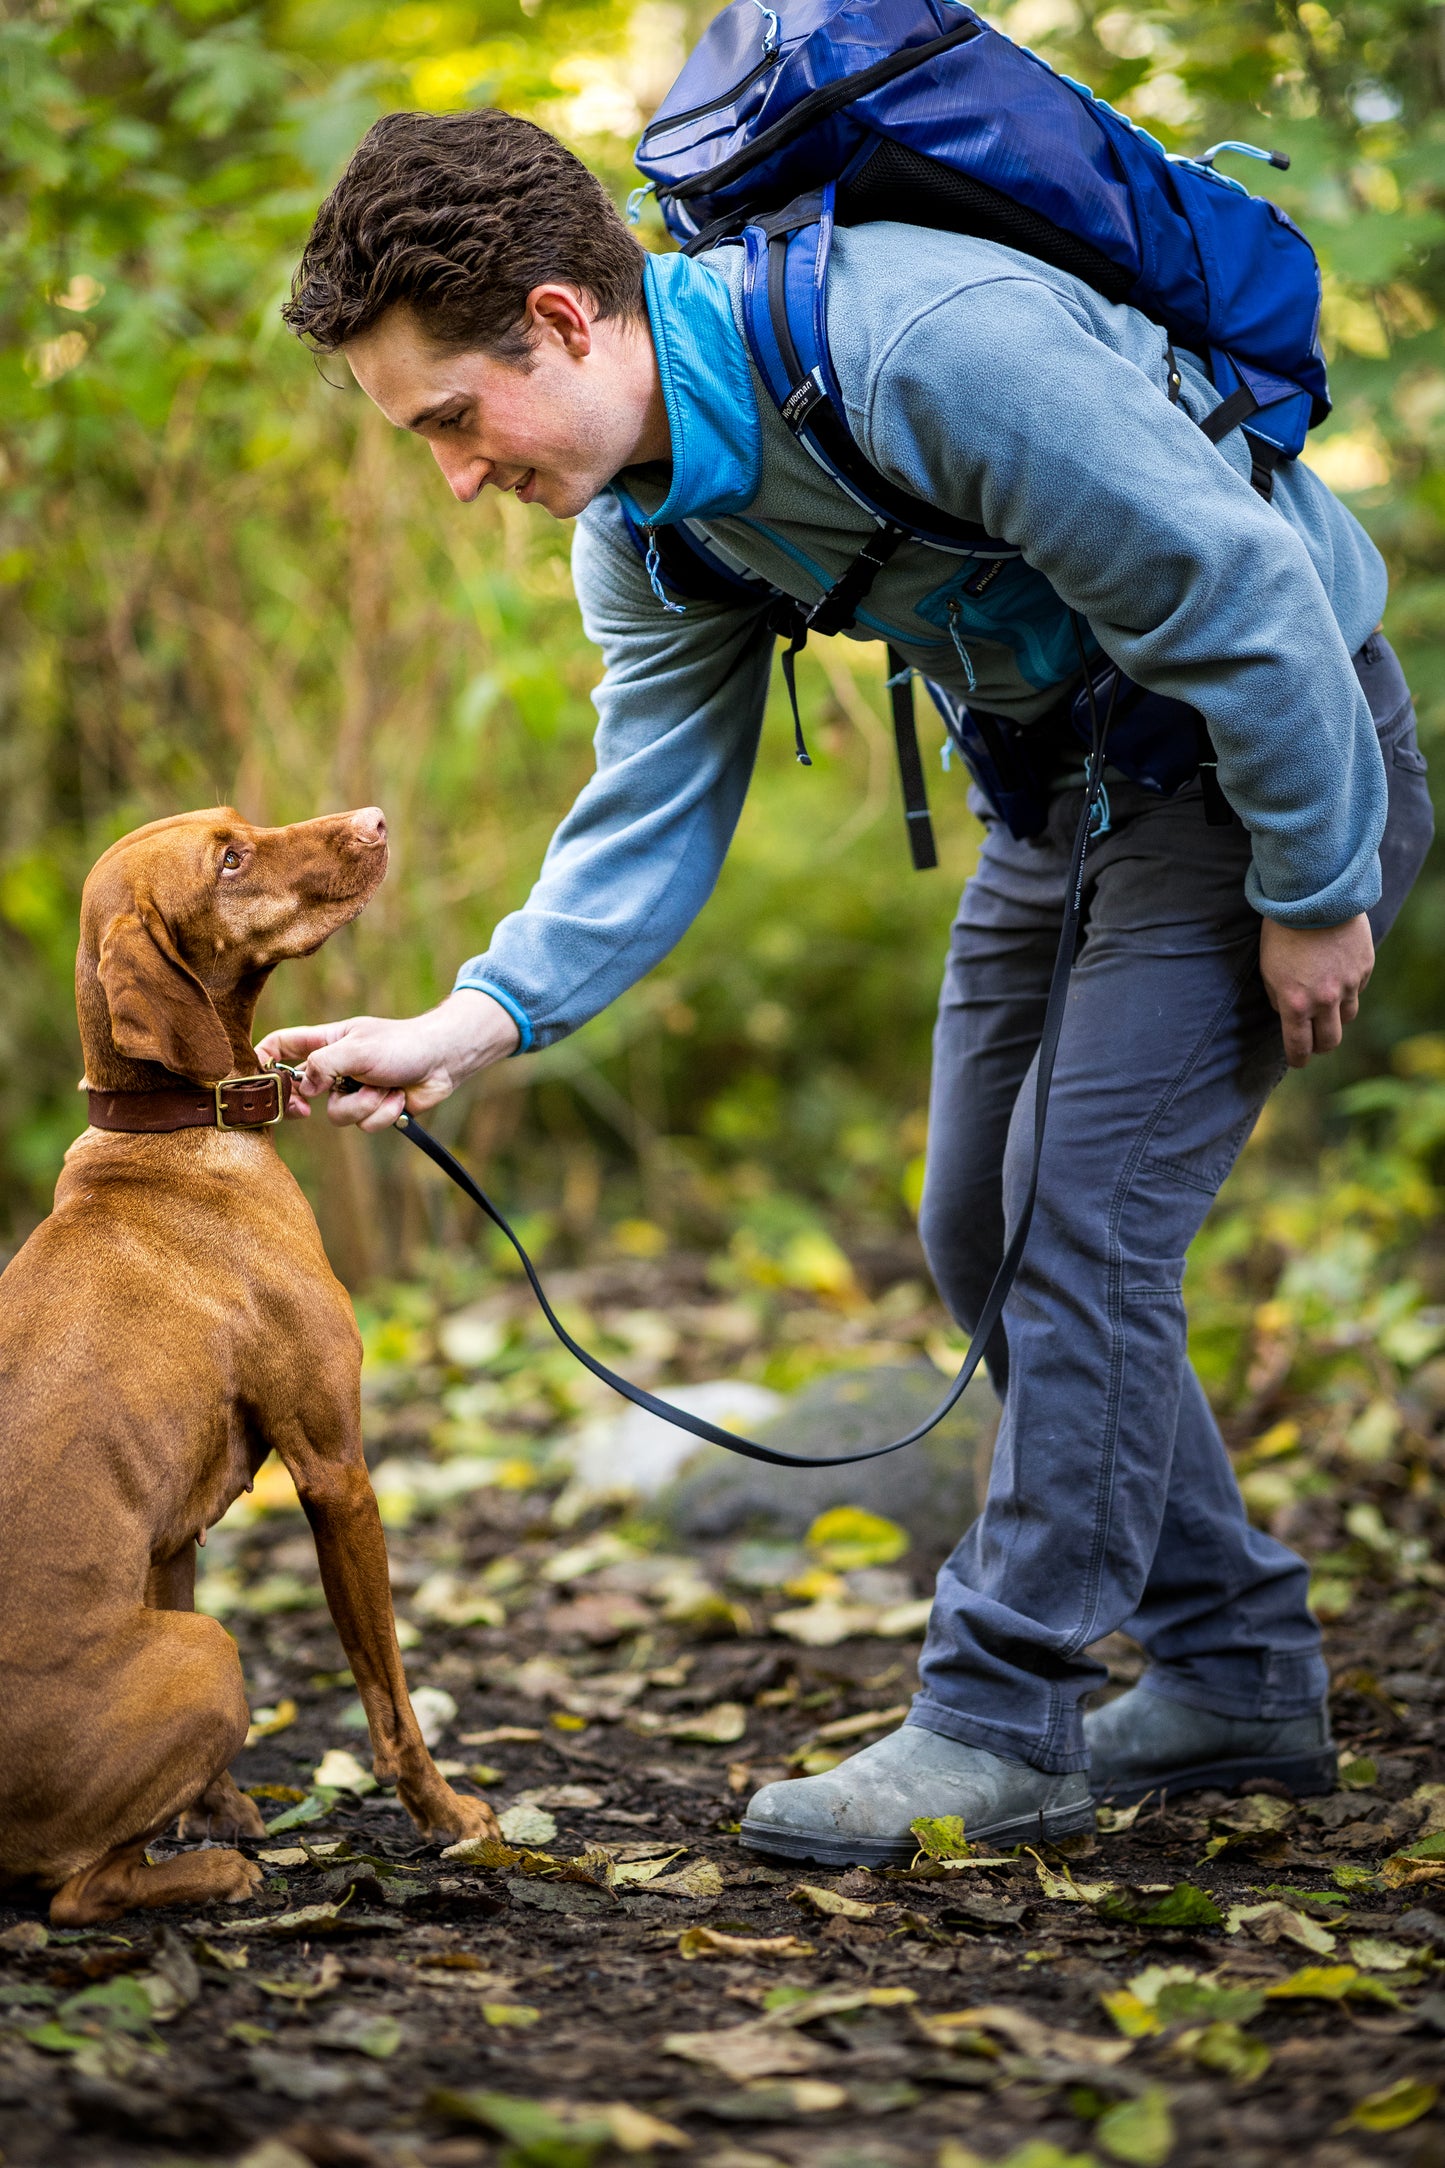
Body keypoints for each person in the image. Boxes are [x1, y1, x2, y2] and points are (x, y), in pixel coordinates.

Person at [264, 106, 1434, 1864]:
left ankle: (1002, 1716)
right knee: (976, 1224)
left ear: (562, 321)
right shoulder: (650, 526)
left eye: (452, 419)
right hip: (1059, 802)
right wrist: (471, 1020)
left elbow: (1244, 591)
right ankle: (1235, 1675)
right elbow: (652, 800)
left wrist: (1315, 884)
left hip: (1276, 764)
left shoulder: (923, 343)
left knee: (1079, 1221)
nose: (454, 476)